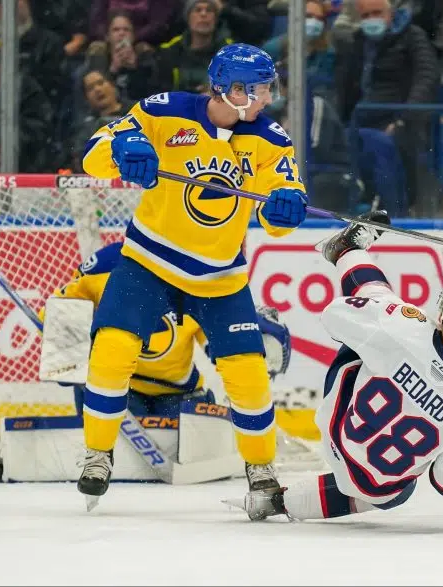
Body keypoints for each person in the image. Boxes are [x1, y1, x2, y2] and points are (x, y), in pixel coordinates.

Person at [79, 43, 308, 518]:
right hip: (149, 261)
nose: (269, 98)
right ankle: (98, 454)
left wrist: (286, 206)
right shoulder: (164, 112)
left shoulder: (272, 139)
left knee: (248, 372)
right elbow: (93, 157)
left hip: (220, 276)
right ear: (233, 89)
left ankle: (261, 469)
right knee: (112, 350)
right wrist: (124, 146)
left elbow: (283, 207)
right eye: (262, 89)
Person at [227, 211, 443, 521]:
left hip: (335, 430)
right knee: (394, 488)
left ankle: (347, 251)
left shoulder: (407, 327)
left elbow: (334, 317)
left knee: (377, 321)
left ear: (442, 306)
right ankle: (282, 503)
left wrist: (394, 317)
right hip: (377, 488)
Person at [41, 242, 292, 418]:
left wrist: (243, 348)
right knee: (103, 407)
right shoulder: (108, 264)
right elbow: (62, 307)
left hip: (179, 394)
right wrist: (68, 350)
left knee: (198, 427)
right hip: (120, 387)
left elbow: (216, 341)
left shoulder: (203, 275)